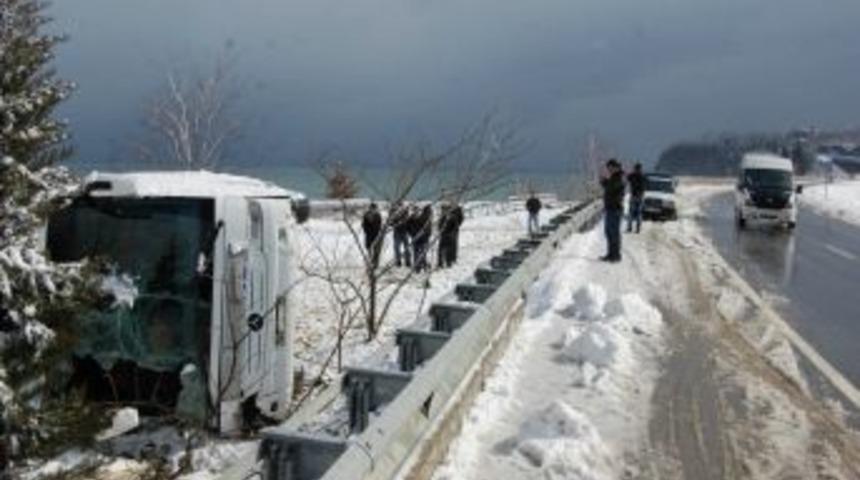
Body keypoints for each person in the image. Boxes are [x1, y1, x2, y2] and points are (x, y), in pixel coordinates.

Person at [600, 159, 626, 262]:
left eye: (610, 168)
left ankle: (616, 255)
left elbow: (613, 189)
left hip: (615, 209)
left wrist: (605, 182)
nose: (608, 170)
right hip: (610, 208)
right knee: (609, 233)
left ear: (615, 167)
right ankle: (611, 254)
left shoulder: (619, 177)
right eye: (608, 168)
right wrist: (604, 182)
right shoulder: (614, 177)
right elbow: (610, 188)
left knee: (614, 233)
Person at [412, 205, 433, 272]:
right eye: (430, 211)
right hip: (422, 238)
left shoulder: (425, 218)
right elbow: (424, 229)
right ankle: (419, 266)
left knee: (419, 252)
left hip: (421, 237)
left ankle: (419, 266)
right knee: (421, 252)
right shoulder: (425, 218)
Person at [361, 203, 383, 268]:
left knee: (377, 251)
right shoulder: (366, 215)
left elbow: (379, 225)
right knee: (369, 250)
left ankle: (375, 264)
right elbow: (363, 225)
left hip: (377, 235)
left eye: (375, 208)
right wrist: (367, 231)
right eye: (373, 208)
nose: (374, 210)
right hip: (369, 235)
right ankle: (370, 263)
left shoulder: (378, 215)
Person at [390, 203, 412, 268]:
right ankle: (398, 261)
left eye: (401, 206)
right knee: (396, 247)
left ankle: (408, 261)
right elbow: (390, 223)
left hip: (404, 232)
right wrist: (394, 223)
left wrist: (409, 230)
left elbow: (408, 222)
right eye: (399, 207)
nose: (400, 208)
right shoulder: (394, 213)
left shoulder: (405, 212)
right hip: (397, 232)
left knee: (407, 247)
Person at [626, 163, 646, 234]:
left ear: (635, 169)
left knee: (631, 212)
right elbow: (646, 185)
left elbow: (627, 178)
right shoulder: (643, 176)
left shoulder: (632, 176)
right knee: (639, 213)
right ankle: (638, 228)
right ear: (641, 169)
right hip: (640, 196)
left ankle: (629, 227)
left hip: (633, 196)